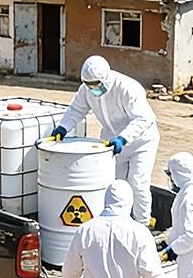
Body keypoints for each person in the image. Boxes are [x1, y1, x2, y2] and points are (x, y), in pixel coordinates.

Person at [51, 56, 160, 226]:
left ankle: (142, 224)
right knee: (116, 184)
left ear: (106, 78)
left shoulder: (127, 88)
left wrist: (124, 138)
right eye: (89, 85)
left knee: (137, 182)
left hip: (141, 142)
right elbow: (76, 109)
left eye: (96, 85)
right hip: (112, 143)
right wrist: (63, 127)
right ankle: (119, 222)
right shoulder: (86, 90)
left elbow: (144, 119)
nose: (93, 88)